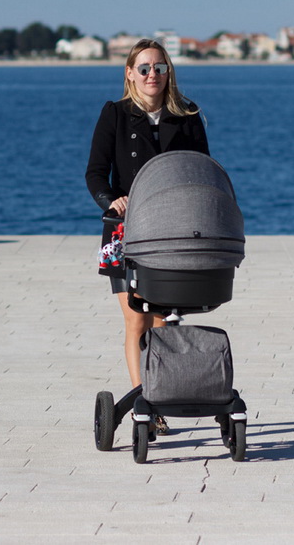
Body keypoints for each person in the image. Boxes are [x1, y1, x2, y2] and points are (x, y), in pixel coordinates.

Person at [85, 38, 210, 433]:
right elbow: (94, 171)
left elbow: (202, 169)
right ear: (129, 73)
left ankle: (159, 390)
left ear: (168, 71)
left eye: (159, 67)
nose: (151, 74)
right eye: (143, 68)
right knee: (135, 319)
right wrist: (111, 198)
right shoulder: (116, 114)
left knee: (161, 318)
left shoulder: (187, 114)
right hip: (124, 228)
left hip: (170, 229)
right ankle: (145, 400)